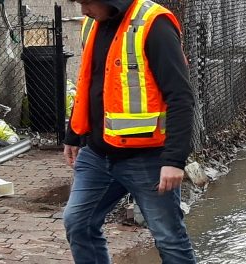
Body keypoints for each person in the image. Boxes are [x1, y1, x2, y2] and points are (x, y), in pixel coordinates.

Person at [61, 0, 196, 263]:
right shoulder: (92, 24)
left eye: (87, 3)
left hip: (149, 159)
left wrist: (174, 161)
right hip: (98, 154)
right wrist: (73, 134)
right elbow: (90, 82)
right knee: (78, 223)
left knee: (169, 239)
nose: (83, 11)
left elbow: (180, 96)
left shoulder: (154, 24)